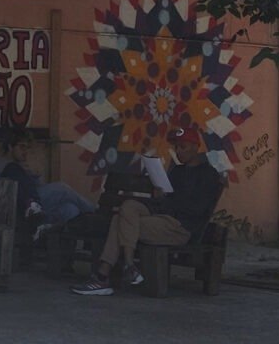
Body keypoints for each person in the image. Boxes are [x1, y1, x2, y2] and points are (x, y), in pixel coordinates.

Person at [71, 126, 223, 297]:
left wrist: (165, 199)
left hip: (180, 227)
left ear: (196, 147)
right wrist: (159, 196)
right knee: (128, 206)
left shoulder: (208, 174)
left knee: (118, 222)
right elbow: (165, 204)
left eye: (183, 147)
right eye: (176, 147)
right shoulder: (177, 171)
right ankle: (127, 267)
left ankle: (106, 275)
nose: (178, 151)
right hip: (162, 219)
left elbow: (195, 209)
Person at [0, 128, 96, 226]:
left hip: (32, 209)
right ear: (10, 147)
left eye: (27, 148)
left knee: (71, 209)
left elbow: (34, 187)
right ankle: (96, 212)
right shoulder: (2, 164)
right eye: (22, 147)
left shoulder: (19, 165)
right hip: (18, 206)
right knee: (62, 188)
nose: (25, 151)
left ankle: (44, 228)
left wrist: (33, 175)